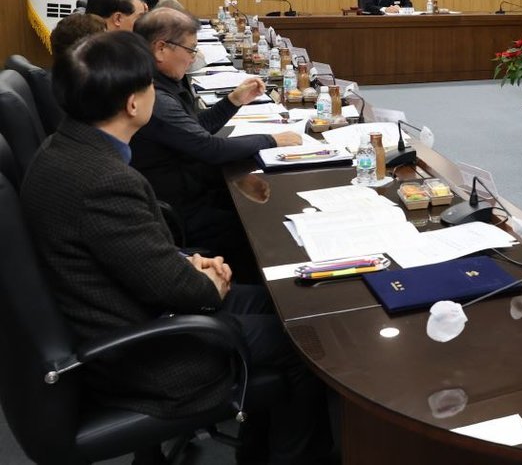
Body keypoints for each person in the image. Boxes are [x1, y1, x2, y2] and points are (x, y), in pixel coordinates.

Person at [21, 31, 333, 463]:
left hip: (126, 308)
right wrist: (204, 281)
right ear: (133, 104)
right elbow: (184, 292)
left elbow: (130, 252)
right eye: (149, 84)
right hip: (145, 352)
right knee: (309, 340)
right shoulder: (104, 181)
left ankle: (257, 449)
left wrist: (188, 260)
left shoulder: (64, 147)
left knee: (287, 303)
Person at [130, 8, 301, 279]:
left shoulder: (161, 83)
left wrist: (233, 101)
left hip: (188, 192)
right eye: (190, 49)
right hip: (181, 212)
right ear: (161, 49)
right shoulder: (155, 97)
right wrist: (272, 140)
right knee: (265, 225)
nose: (193, 58)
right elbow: (208, 147)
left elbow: (194, 128)